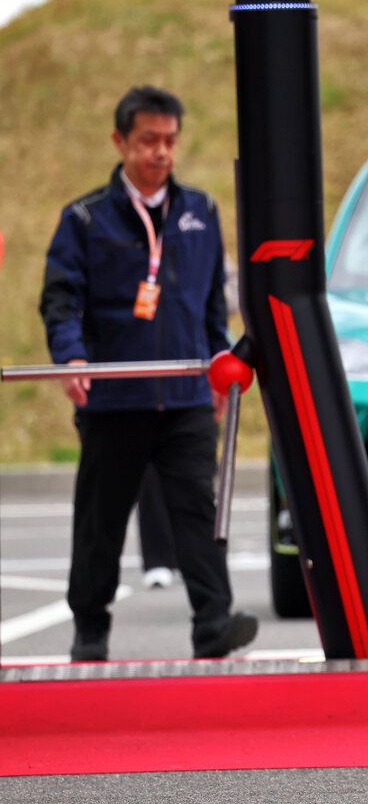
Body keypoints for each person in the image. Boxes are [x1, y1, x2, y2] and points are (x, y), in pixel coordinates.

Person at [41, 85, 258, 663]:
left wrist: (220, 367)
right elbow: (62, 298)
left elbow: (213, 300)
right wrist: (72, 358)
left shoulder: (200, 211)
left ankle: (213, 622)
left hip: (187, 397)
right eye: (148, 141)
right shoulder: (85, 218)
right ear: (120, 142)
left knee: (198, 512)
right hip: (115, 400)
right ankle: (90, 630)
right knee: (100, 520)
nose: (160, 153)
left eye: (169, 141)